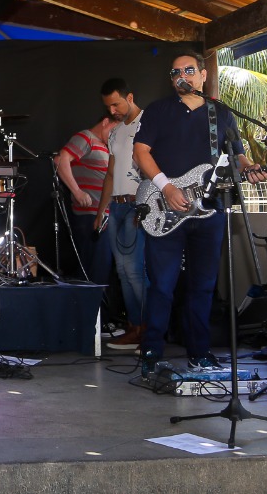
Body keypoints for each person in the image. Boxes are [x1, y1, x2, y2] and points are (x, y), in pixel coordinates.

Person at [132, 52, 267, 376]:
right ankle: (151, 351)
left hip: (209, 210)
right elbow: (140, 151)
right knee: (162, 285)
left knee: (203, 286)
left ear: (203, 75)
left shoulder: (221, 113)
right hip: (164, 206)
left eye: (189, 70)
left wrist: (250, 168)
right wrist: (167, 187)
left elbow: (238, 156)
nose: (182, 75)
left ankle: (199, 352)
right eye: (175, 72)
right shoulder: (159, 110)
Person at [95, 78, 146, 352]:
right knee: (123, 271)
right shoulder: (115, 132)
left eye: (116, 104)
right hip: (116, 206)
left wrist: (147, 202)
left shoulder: (148, 123)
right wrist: (101, 210)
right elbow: (111, 174)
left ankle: (148, 330)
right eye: (108, 107)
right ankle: (134, 327)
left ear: (130, 97)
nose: (112, 111)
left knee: (136, 271)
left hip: (138, 204)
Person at [55, 114, 116, 285]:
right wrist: (77, 191)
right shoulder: (86, 137)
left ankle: (98, 300)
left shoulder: (105, 146)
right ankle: (93, 300)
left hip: (103, 214)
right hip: (91, 214)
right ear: (105, 122)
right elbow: (60, 159)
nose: (115, 135)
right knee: (96, 269)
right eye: (114, 130)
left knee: (101, 268)